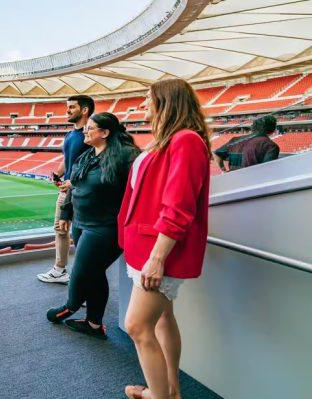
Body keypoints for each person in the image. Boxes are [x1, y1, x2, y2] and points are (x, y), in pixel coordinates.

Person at [119, 79, 211, 399]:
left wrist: (157, 257)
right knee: (162, 319)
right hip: (144, 246)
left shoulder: (186, 141)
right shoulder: (164, 141)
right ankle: (171, 391)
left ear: (167, 102)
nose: (144, 104)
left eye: (149, 98)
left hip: (158, 251)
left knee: (136, 326)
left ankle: (159, 397)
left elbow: (179, 206)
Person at [45, 112, 140, 339]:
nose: (85, 131)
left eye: (90, 128)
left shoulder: (127, 157)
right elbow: (75, 185)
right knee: (95, 274)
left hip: (105, 227)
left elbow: (140, 192)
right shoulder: (87, 155)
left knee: (81, 273)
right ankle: (94, 324)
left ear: (105, 133)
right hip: (81, 223)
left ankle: (70, 306)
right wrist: (67, 212)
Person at [36, 95, 93, 284]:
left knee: (83, 234)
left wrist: (74, 181)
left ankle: (84, 278)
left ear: (84, 110)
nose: (67, 111)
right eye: (67, 107)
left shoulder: (90, 135)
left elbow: (95, 164)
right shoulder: (70, 134)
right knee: (60, 230)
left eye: (71, 107)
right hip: (66, 191)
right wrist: (58, 175)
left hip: (82, 192)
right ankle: (60, 270)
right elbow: (67, 160)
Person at [214, 114, 279, 171]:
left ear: (253, 127)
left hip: (234, 181)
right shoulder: (270, 146)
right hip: (253, 182)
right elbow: (267, 170)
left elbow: (217, 154)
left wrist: (224, 170)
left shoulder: (235, 140)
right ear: (272, 129)